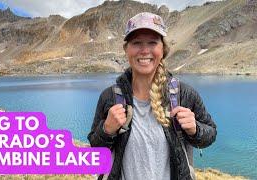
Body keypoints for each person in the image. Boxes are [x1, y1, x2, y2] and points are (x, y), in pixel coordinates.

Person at [87, 12, 217, 180]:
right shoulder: (110, 97)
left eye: (152, 43)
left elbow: (210, 134)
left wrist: (195, 129)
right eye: (136, 43)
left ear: (163, 50)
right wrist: (106, 130)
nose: (144, 50)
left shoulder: (184, 94)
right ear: (126, 50)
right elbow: (95, 149)